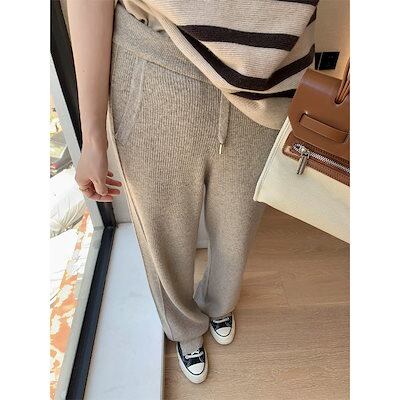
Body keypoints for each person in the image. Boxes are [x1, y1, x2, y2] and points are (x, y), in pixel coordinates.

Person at [67, 0, 317, 384]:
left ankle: (220, 302)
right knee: (164, 231)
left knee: (239, 225)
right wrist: (92, 135)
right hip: (157, 63)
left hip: (271, 84)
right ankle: (182, 325)